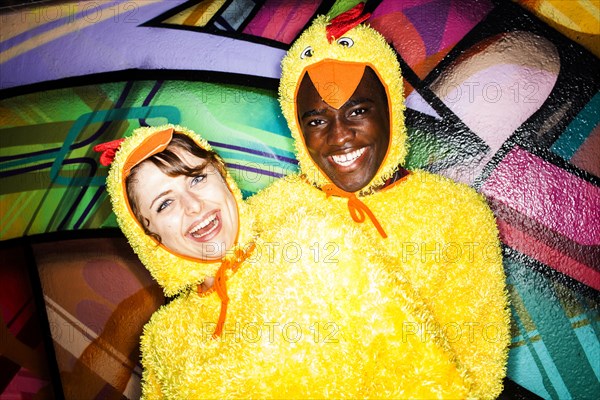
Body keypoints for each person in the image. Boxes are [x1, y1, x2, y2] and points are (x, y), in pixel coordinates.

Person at [249, 4, 510, 399]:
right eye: (317, 120)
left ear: (390, 109)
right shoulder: (268, 217)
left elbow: (479, 370)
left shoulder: (455, 214)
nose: (339, 137)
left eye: (357, 111)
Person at [102, 124, 472, 398]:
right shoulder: (164, 339)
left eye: (197, 179)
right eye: (164, 203)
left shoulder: (315, 249)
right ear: (149, 236)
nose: (193, 207)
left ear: (224, 178)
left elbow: (427, 376)